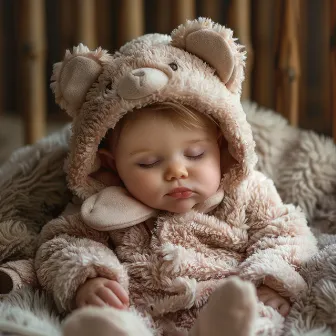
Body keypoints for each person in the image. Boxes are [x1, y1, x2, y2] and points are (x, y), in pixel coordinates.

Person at [35, 18, 317, 336]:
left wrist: (271, 282)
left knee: (255, 315)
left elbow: (288, 235)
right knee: (114, 321)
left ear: (222, 144)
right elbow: (60, 245)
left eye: (196, 155)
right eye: (149, 163)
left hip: (227, 302)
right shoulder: (103, 209)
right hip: (147, 315)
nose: (177, 172)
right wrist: (90, 278)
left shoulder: (246, 192)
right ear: (111, 165)